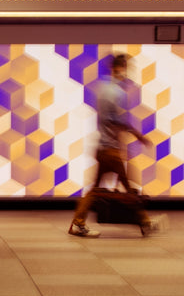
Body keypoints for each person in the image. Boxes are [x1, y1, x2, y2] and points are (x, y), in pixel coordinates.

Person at [68, 53, 165, 238]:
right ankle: (145, 222)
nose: (127, 73)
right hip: (110, 148)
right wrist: (138, 135)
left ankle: (78, 223)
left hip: (103, 147)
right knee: (127, 187)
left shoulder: (102, 89)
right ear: (117, 68)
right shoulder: (115, 92)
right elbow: (114, 121)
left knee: (95, 190)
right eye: (126, 68)